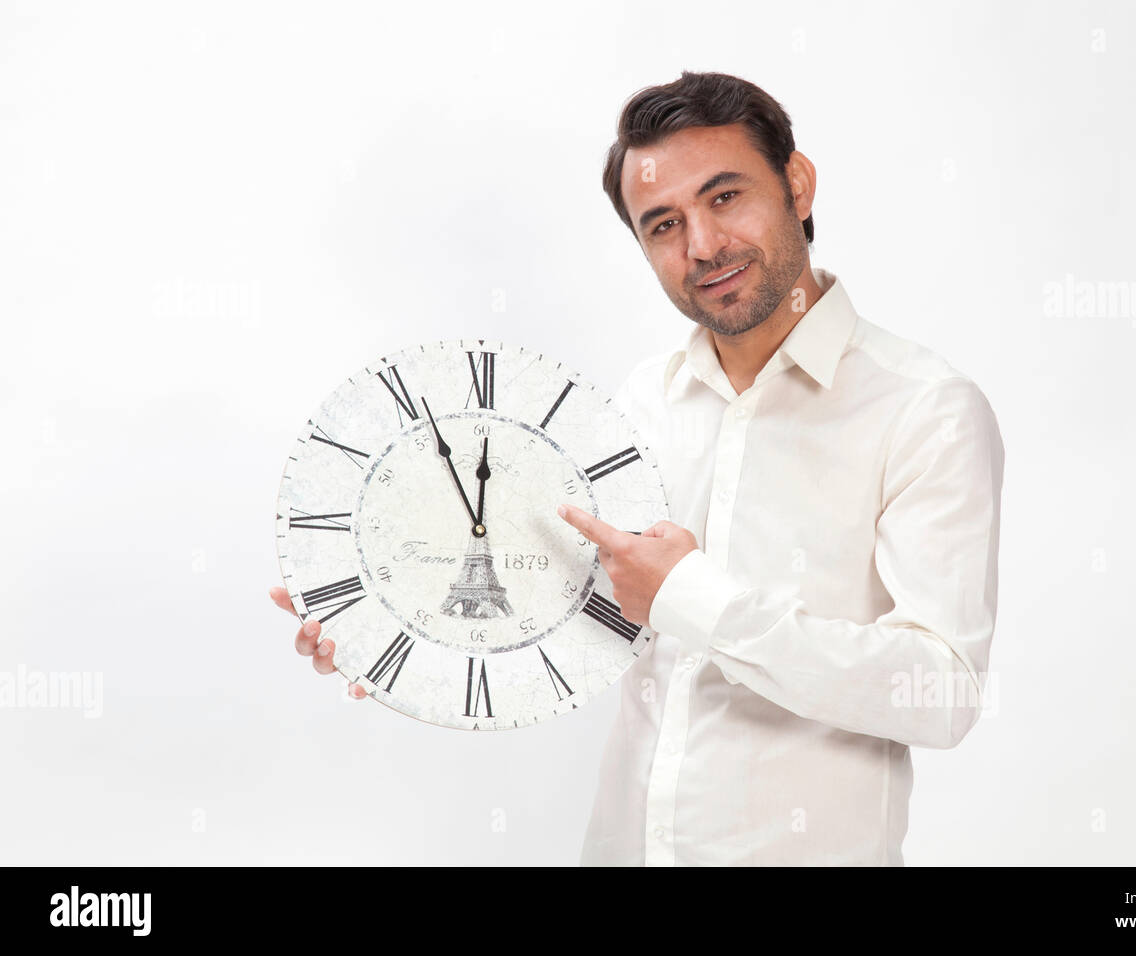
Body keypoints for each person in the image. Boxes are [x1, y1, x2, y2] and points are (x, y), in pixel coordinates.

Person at [270, 70, 1005, 866]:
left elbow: (945, 691)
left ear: (797, 183)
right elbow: (583, 621)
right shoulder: (642, 403)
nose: (703, 247)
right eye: (663, 224)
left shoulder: (924, 408)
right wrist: (398, 630)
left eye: (725, 197)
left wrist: (692, 595)